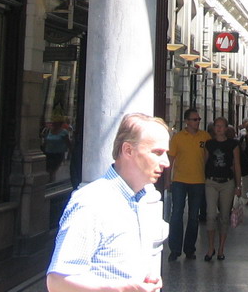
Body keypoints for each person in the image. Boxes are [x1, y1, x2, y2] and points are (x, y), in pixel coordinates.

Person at [46, 113, 170, 292]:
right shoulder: (92, 202)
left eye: (166, 153)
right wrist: (121, 288)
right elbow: (58, 282)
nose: (166, 162)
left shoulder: (144, 198)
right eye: (157, 152)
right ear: (128, 150)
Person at [166, 108, 210, 261]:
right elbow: (170, 160)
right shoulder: (178, 138)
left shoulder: (205, 137)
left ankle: (190, 249)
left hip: (198, 181)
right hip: (179, 181)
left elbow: (208, 157)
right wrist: (167, 180)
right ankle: (175, 249)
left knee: (193, 217)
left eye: (198, 119)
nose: (197, 122)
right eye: (194, 119)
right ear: (186, 121)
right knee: (176, 215)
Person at [203, 116, 242, 261]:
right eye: (216, 126)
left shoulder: (233, 144)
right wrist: (202, 179)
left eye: (221, 126)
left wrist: (239, 185)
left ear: (226, 128)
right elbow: (204, 162)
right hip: (211, 182)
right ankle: (211, 247)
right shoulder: (209, 144)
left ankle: (221, 248)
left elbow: (237, 165)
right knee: (211, 215)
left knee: (224, 216)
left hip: (227, 183)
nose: (218, 128)